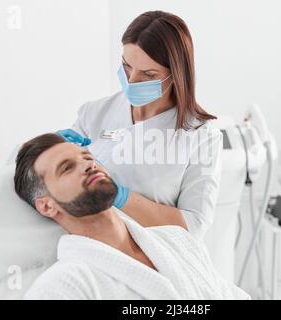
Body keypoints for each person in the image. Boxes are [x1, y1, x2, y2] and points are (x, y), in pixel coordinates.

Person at [14, 133, 249, 300]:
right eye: (66, 168)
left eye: (86, 156)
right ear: (46, 206)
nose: (87, 165)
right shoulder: (65, 285)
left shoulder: (178, 241)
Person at [58, 11, 222, 240]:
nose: (131, 80)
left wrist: (121, 197)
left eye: (148, 74)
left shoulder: (200, 136)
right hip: (86, 241)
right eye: (126, 66)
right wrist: (54, 149)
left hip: (151, 254)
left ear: (176, 75)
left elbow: (195, 224)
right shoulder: (94, 113)